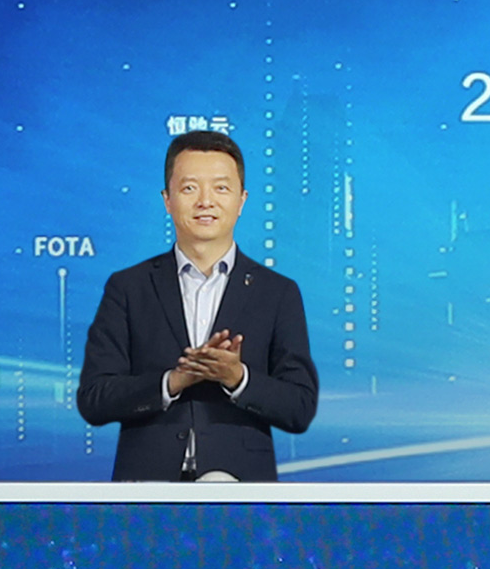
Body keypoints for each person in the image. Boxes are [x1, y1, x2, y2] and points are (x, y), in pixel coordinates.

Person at [74, 128, 321, 480]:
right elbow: (94, 399)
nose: (206, 201)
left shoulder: (277, 292)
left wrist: (237, 378)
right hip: (147, 489)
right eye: (190, 188)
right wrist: (172, 381)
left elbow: (300, 407)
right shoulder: (128, 287)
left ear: (242, 200)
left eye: (221, 188)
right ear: (167, 200)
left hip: (241, 490)